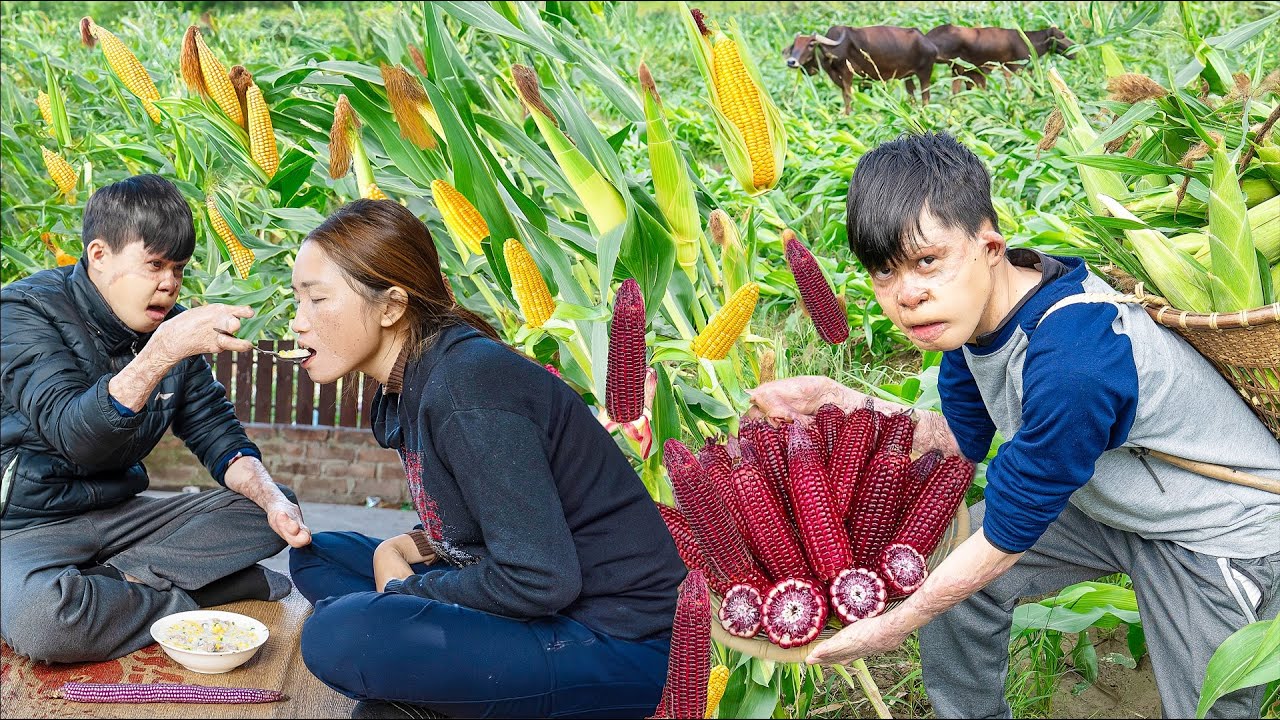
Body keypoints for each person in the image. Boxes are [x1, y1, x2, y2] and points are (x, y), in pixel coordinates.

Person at [748, 132, 1280, 718]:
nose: (907, 296)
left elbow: (1009, 533)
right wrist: (839, 400)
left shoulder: (1075, 357)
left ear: (990, 246)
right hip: (1111, 503)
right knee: (950, 582)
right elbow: (958, 440)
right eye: (884, 272)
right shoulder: (969, 321)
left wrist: (897, 622)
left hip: (1215, 531)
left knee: (1209, 709)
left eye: (928, 261)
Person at [286, 199, 685, 719]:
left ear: (390, 306)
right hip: (537, 602)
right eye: (298, 300)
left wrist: (405, 588)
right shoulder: (418, 380)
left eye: (316, 300)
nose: (298, 323)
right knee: (319, 554)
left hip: (617, 642)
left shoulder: (468, 387)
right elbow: (493, 513)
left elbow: (541, 578)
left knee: (337, 635)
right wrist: (403, 547)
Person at [0, 174, 311, 664]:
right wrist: (161, 353)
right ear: (99, 255)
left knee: (268, 507)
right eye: (155, 265)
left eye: (179, 269)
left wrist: (270, 498)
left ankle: (111, 587)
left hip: (123, 518)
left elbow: (217, 432)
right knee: (46, 623)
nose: (169, 283)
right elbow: (74, 435)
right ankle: (201, 595)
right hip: (26, 525)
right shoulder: (23, 313)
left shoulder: (171, 328)